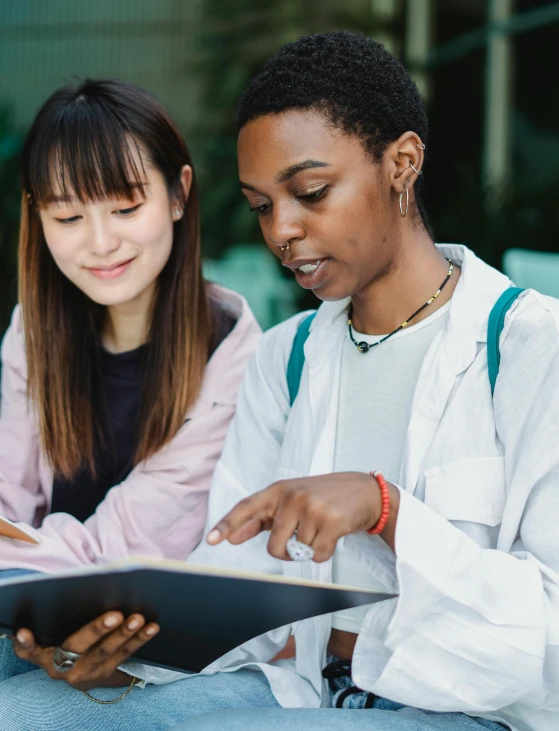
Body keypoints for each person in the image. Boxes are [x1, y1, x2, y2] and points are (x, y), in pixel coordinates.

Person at [5, 31, 558, 731]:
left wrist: (386, 510)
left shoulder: (531, 346)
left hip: (470, 709)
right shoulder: (289, 358)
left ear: (402, 163)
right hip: (303, 687)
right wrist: (119, 653)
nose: (283, 230)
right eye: (263, 205)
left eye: (311, 192)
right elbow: (234, 585)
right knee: (23, 709)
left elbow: (548, 637)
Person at [0, 78, 260, 719]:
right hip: (40, 625)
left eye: (123, 207)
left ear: (178, 194)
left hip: (166, 659)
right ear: (36, 216)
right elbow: (7, 510)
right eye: (67, 217)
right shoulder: (32, 333)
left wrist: (21, 561)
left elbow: (128, 547)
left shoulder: (236, 356)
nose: (99, 242)